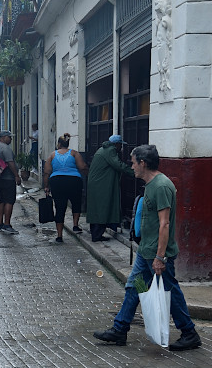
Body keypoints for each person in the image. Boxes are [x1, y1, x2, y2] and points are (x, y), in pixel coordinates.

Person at [93, 144, 202, 351]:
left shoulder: (161, 186)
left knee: (171, 291)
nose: (131, 167)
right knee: (135, 287)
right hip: (146, 253)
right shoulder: (152, 185)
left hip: (157, 256)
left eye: (133, 163)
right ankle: (120, 328)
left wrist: (160, 258)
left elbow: (165, 224)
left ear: (143, 163)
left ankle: (189, 332)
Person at [87, 135, 134, 241]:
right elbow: (118, 164)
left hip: (96, 183)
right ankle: (97, 235)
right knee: (103, 208)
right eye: (120, 145)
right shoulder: (110, 150)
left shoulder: (102, 149)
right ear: (116, 144)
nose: (121, 148)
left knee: (97, 208)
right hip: (101, 185)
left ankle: (96, 233)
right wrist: (134, 172)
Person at [43, 133, 88, 243]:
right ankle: (75, 225)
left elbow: (46, 172)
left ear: (58, 144)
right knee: (76, 202)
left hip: (57, 182)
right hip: (74, 181)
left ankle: (59, 235)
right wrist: (87, 173)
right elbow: (82, 167)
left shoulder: (52, 155)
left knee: (60, 207)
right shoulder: (74, 153)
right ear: (67, 143)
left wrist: (46, 186)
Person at [0, 130, 22, 233]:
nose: (11, 139)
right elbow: (10, 163)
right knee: (9, 201)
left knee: (2, 201)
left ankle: (0, 224)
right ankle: (7, 224)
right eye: (9, 137)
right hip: (7, 178)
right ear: (3, 137)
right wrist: (16, 176)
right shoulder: (6, 148)